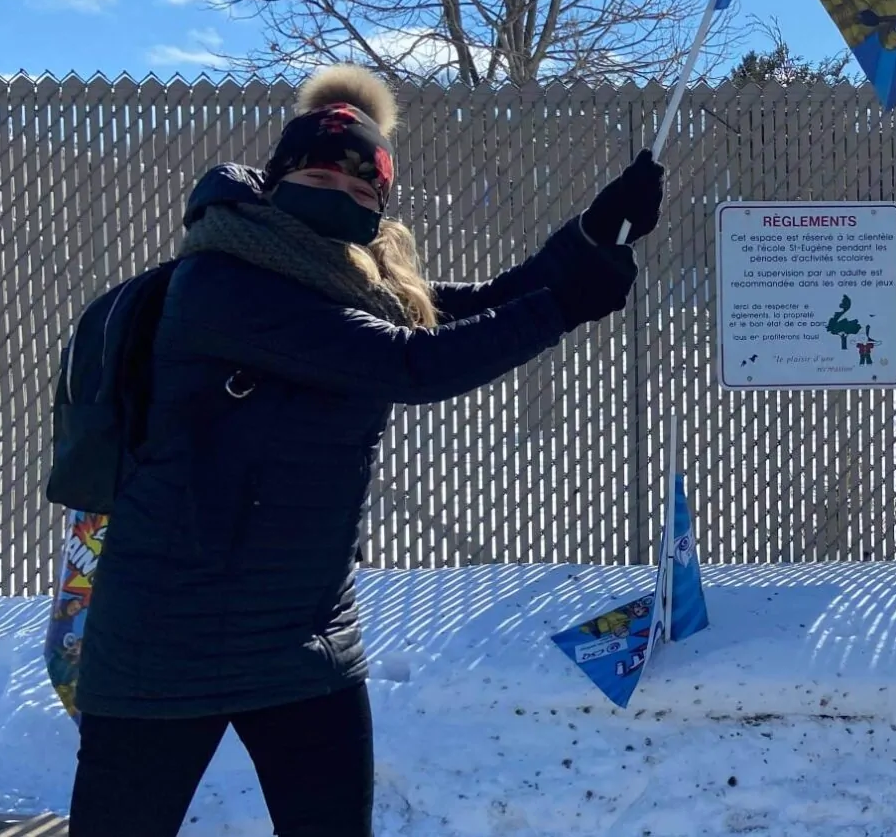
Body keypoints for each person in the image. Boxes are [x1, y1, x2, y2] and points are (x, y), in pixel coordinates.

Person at [69, 65, 664, 837]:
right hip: (166, 641)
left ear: (379, 207)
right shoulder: (224, 282)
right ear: (277, 179)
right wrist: (566, 305)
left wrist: (590, 236)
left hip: (304, 637)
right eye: (318, 172)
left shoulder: (353, 280)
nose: (337, 193)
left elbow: (471, 307)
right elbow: (410, 363)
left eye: (360, 189)